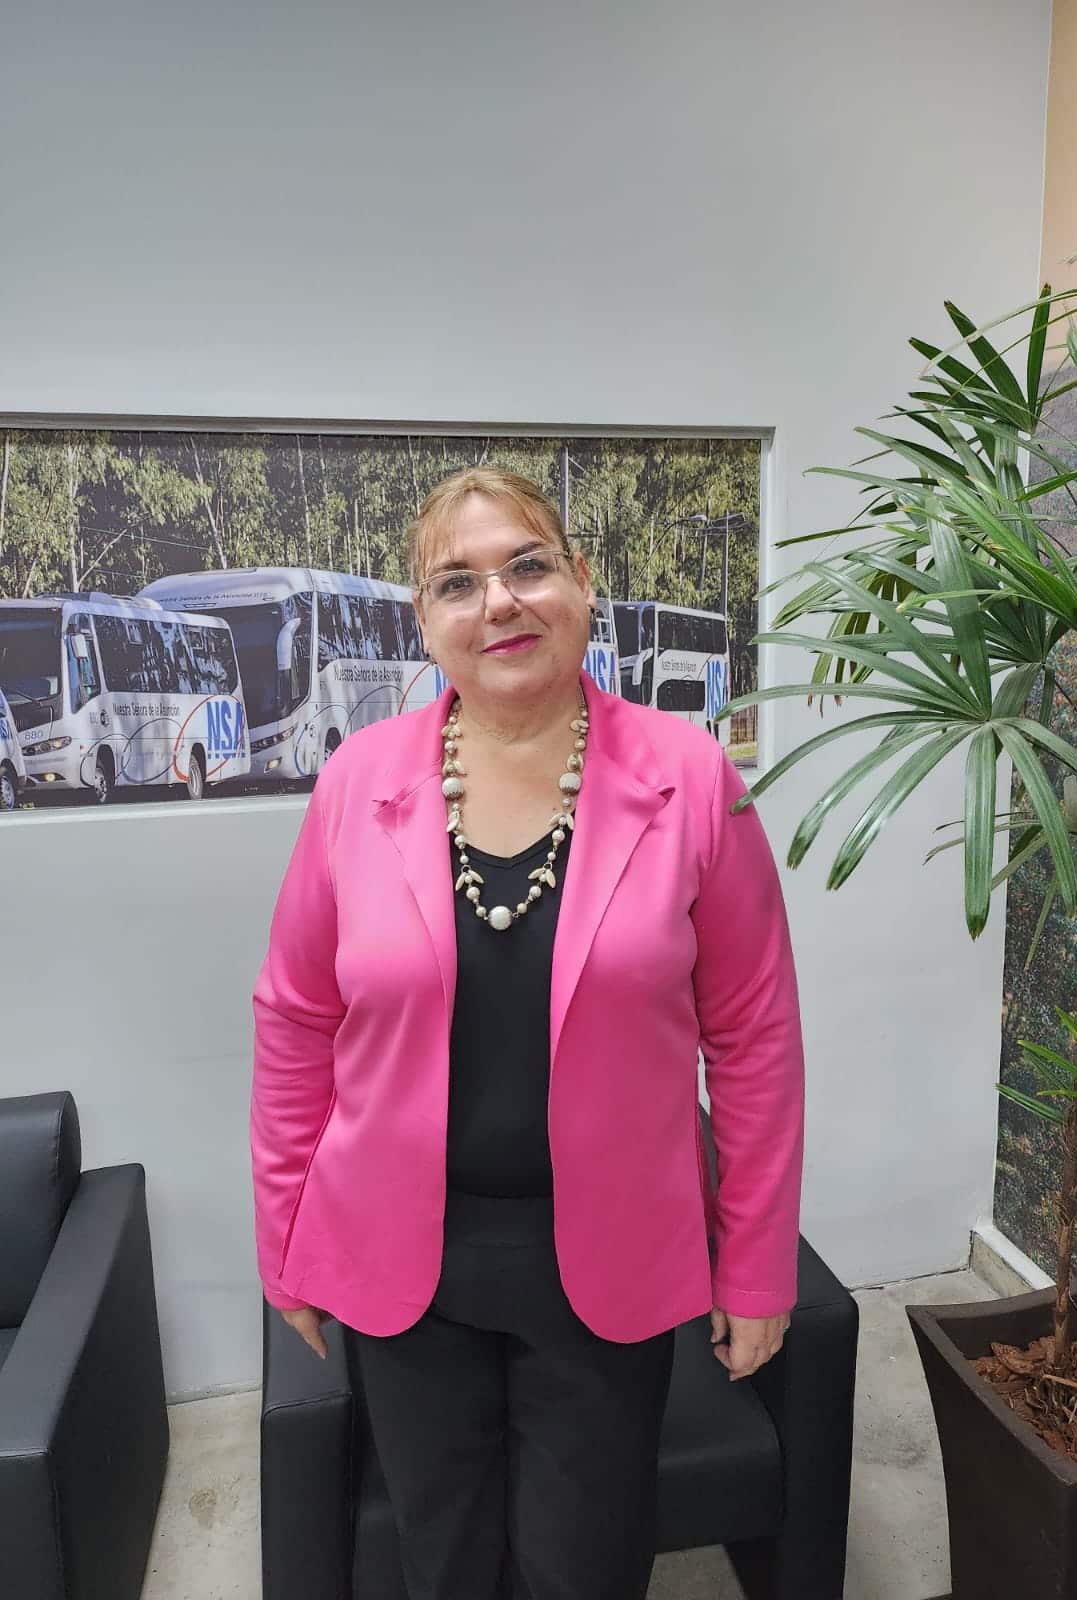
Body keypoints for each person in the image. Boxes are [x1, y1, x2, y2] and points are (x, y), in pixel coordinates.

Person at [249, 466, 805, 1600]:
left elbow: (754, 1037)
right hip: (401, 1260)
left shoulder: (692, 779)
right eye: (457, 582)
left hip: (606, 1257)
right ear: (425, 623)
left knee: (584, 1567)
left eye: (527, 566)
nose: (498, 601)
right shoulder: (357, 782)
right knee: (442, 1558)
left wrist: (755, 1265)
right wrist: (285, 1237)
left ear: (581, 584)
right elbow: (296, 1019)